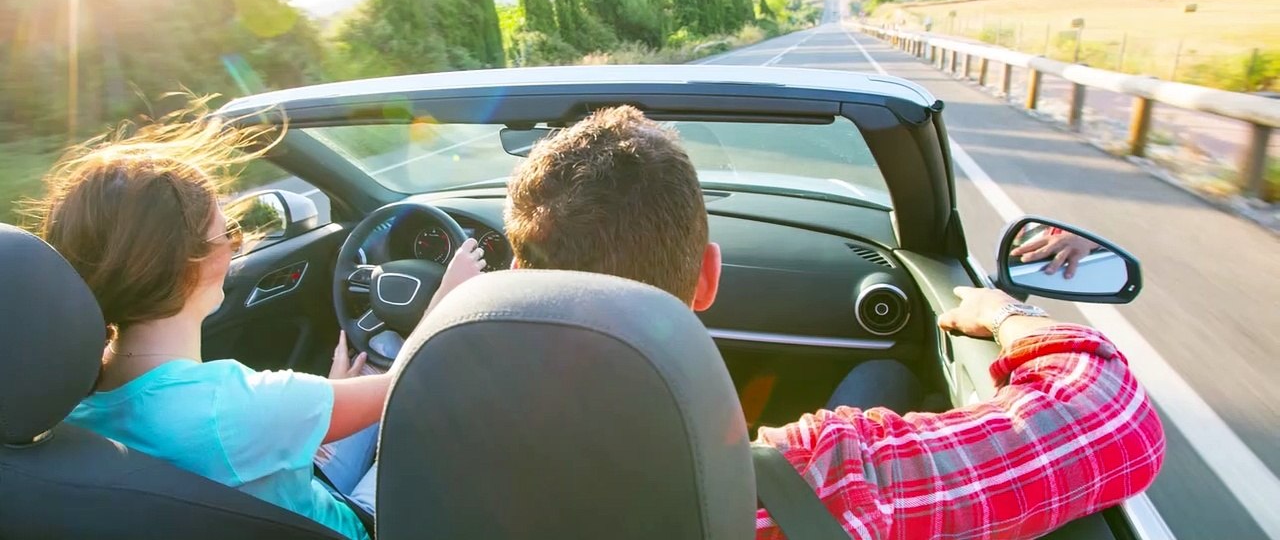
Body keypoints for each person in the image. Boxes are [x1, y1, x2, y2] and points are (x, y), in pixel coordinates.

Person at [503, 105, 1166, 539]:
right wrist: (1002, 309)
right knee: (880, 374)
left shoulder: (422, 470)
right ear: (707, 278)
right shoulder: (832, 484)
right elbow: (1113, 418)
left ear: (514, 281)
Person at [31, 117, 485, 540]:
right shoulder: (232, 406)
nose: (236, 245)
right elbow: (402, 384)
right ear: (193, 264)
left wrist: (321, 400)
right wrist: (446, 299)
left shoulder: (66, 404)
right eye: (231, 234)